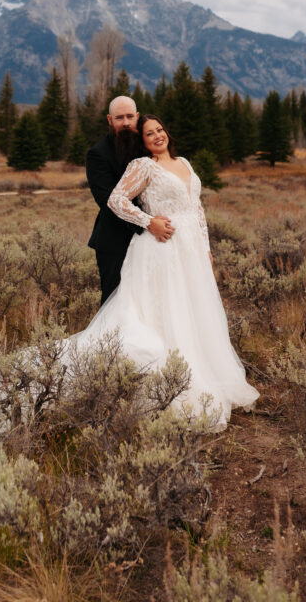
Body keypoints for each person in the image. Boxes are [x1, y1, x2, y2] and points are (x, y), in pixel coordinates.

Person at [77, 113, 258, 426]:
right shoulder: (144, 166)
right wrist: (149, 222)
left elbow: (197, 208)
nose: (158, 136)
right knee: (167, 309)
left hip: (191, 251)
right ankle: (169, 380)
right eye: (150, 134)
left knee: (194, 308)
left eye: (160, 130)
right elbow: (116, 200)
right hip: (162, 249)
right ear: (143, 142)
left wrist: (206, 248)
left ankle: (206, 369)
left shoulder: (184, 162)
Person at [86, 96, 174, 305]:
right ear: (109, 120)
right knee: (116, 303)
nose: (125, 122)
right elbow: (108, 202)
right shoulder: (98, 154)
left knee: (152, 302)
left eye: (129, 116)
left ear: (137, 116)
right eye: (119, 118)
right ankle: (109, 340)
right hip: (115, 241)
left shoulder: (147, 145)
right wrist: (149, 223)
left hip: (155, 239)